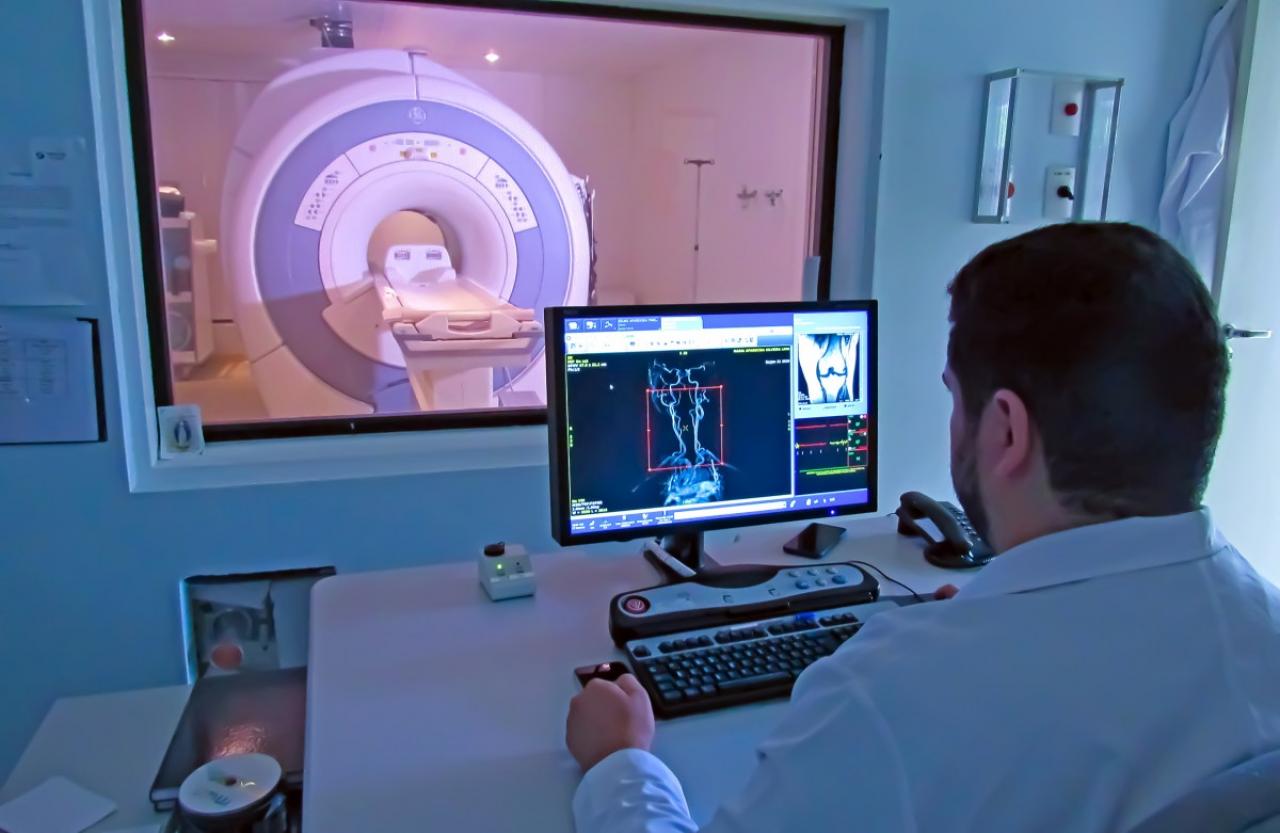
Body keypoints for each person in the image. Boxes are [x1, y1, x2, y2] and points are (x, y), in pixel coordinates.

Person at [564, 223, 1280, 832]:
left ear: (1006, 430)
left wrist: (618, 764)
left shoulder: (893, 694)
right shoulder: (1265, 629)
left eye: (956, 401)